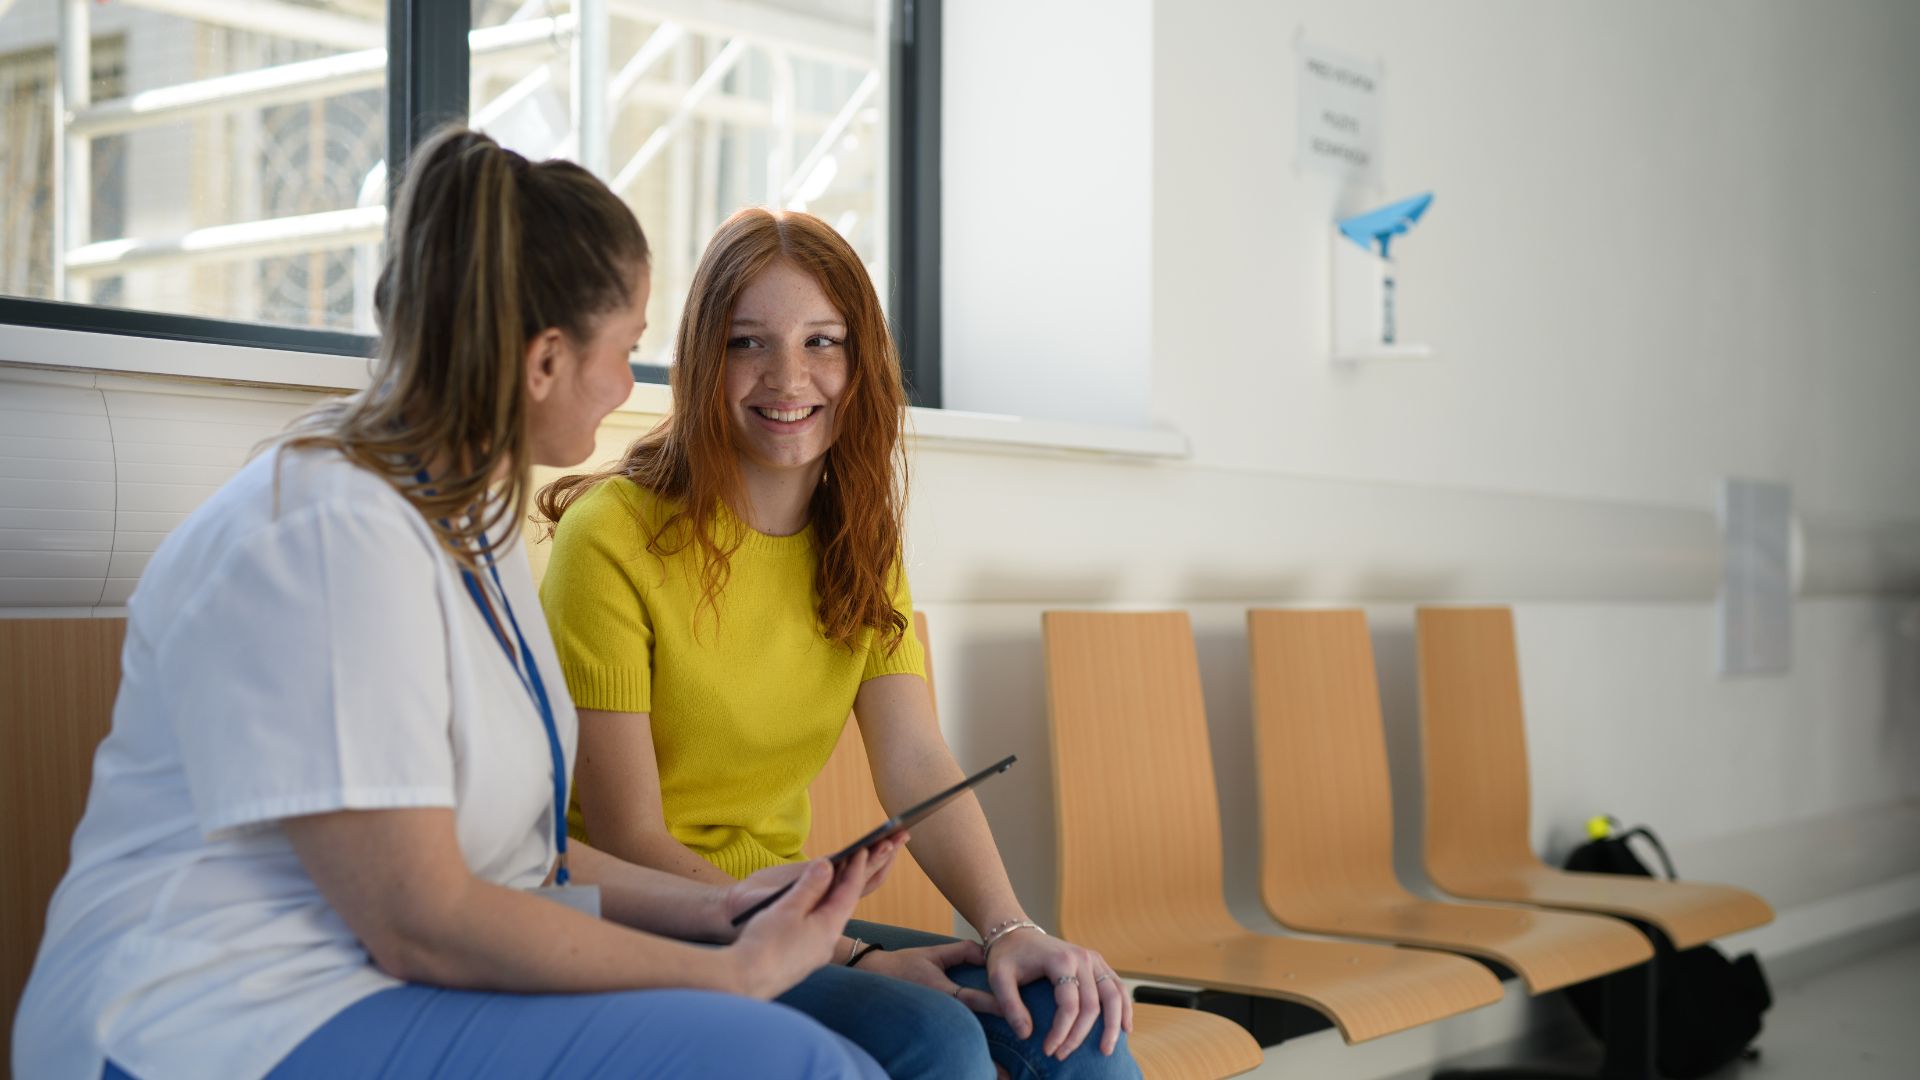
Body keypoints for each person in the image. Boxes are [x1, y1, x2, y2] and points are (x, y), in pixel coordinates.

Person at [12, 128, 901, 1080]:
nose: (628, 385)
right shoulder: (323, 534)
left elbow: (521, 863)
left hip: (373, 986)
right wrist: (730, 977)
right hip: (216, 1023)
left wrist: (721, 910)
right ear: (545, 362)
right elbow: (421, 920)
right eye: (626, 350)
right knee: (794, 1067)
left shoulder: (471, 528)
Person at [537, 207, 1140, 1079]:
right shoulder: (611, 537)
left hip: (795, 909)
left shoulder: (858, 537)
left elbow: (917, 761)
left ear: (861, 363)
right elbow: (629, 836)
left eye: (823, 341)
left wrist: (1011, 930)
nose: (790, 377)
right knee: (936, 1043)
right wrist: (848, 953)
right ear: (706, 359)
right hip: (656, 921)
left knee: (1083, 1035)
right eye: (750, 343)